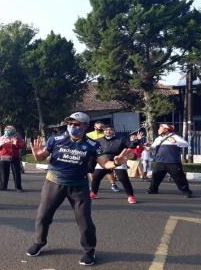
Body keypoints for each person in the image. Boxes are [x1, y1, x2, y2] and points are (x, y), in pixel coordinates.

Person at [26, 112, 130, 266]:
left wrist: (116, 162)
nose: (72, 126)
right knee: (43, 216)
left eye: (76, 124)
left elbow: (104, 164)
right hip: (53, 183)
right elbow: (42, 157)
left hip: (78, 186)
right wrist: (36, 154)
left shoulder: (92, 144)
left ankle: (89, 250)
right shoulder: (56, 139)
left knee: (84, 220)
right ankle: (39, 242)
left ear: (85, 126)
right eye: (70, 124)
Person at [89, 125, 139, 204]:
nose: (108, 131)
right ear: (103, 131)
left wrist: (136, 141)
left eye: (110, 130)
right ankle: (93, 193)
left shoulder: (121, 139)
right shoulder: (98, 140)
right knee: (96, 177)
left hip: (118, 159)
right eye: (106, 130)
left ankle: (131, 196)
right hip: (104, 160)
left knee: (123, 179)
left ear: (113, 131)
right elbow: (91, 149)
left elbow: (131, 145)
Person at [147, 124, 193, 198]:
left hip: (173, 162)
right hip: (160, 162)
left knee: (179, 178)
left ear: (165, 130)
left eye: (160, 128)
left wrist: (175, 142)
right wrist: (149, 146)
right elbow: (153, 147)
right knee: (155, 176)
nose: (158, 130)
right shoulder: (158, 138)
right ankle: (153, 190)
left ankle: (187, 192)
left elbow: (186, 144)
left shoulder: (175, 137)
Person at [86, 121, 121, 193]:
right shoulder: (89, 134)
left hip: (104, 155)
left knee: (108, 170)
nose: (101, 128)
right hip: (93, 155)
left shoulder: (106, 133)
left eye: (102, 127)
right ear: (95, 127)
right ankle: (93, 184)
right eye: (99, 127)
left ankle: (113, 184)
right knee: (90, 170)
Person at [0, 125, 25, 192]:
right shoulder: (2, 138)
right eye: (6, 129)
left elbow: (22, 145)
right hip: (4, 157)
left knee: (16, 172)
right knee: (3, 172)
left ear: (14, 130)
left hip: (14, 157)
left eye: (9, 129)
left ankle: (18, 187)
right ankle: (3, 186)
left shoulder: (17, 137)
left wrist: (15, 142)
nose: (7, 130)